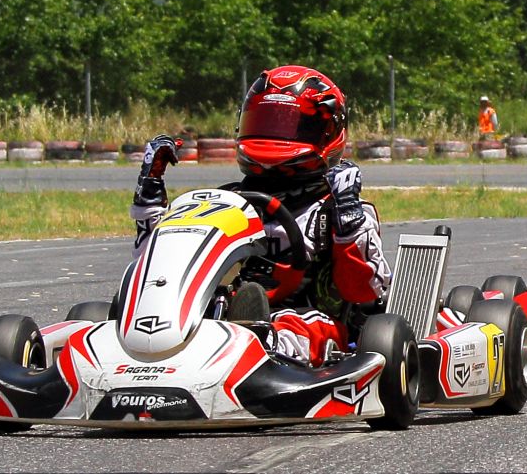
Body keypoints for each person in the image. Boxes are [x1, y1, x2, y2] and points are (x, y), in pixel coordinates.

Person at [130, 65, 391, 367]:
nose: (274, 136)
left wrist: (348, 219)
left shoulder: (338, 209)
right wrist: (149, 200)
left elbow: (365, 293)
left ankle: (257, 343)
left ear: (327, 133)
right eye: (265, 122)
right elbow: (160, 267)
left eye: (289, 125)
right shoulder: (226, 201)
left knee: (294, 326)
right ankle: (147, 343)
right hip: (219, 313)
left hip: (309, 320)